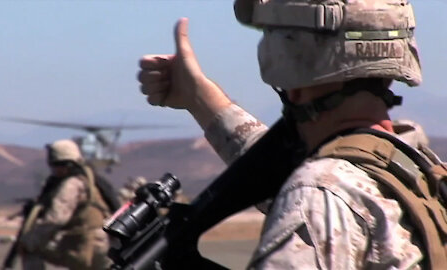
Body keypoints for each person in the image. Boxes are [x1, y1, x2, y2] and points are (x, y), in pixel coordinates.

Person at [138, 0, 447, 269]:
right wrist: (198, 97)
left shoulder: (317, 197)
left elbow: (312, 186)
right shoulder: (415, 170)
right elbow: (282, 171)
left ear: (289, 65)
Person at [19, 139, 112, 270]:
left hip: (84, 246)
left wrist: (30, 238)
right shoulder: (90, 179)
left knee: (30, 247)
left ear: (62, 165)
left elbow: (56, 218)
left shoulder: (71, 184)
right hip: (103, 244)